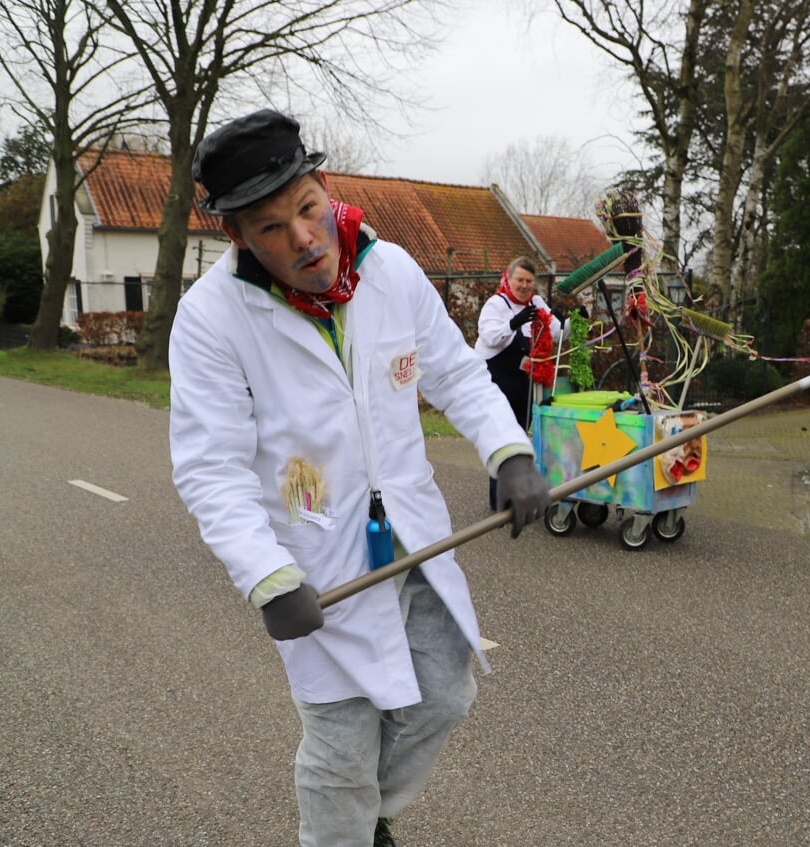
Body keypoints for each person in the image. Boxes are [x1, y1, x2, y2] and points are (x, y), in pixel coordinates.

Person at [167, 109, 550, 847]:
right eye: (272, 228)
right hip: (315, 556)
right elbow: (209, 466)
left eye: (307, 209)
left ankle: (373, 818)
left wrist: (510, 451)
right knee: (342, 747)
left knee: (443, 696)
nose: (303, 239)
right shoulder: (212, 319)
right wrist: (266, 576)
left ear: (324, 188)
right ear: (236, 235)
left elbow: (458, 375)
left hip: (412, 538)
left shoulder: (391, 270)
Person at [474, 257, 564, 509]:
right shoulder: (497, 304)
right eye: (520, 280)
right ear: (509, 279)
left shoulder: (536, 302)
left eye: (529, 282)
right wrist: (515, 322)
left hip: (525, 383)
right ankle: (500, 500)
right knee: (501, 439)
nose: (524, 286)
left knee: (521, 439)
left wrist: (570, 321)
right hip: (497, 381)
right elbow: (489, 337)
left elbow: (556, 331)